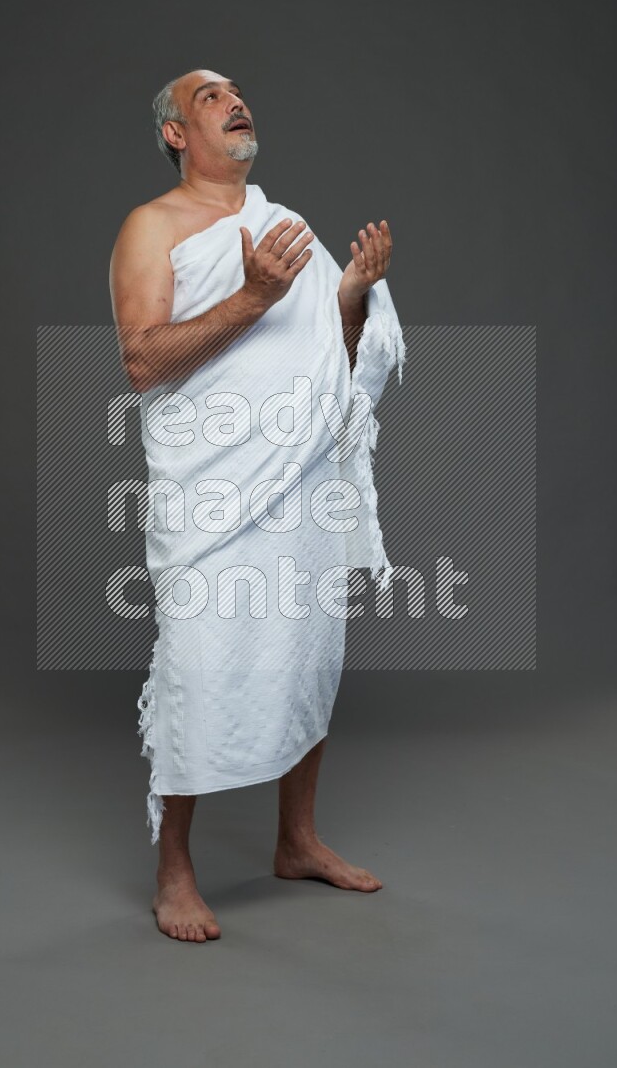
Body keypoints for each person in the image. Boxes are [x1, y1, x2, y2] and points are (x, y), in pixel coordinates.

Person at [109, 68, 404, 942]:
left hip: (301, 481)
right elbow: (142, 361)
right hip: (215, 492)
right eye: (209, 96)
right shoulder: (150, 228)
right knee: (199, 664)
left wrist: (349, 296)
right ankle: (175, 871)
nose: (235, 102)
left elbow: (333, 361)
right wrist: (253, 297)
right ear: (174, 132)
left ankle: (297, 838)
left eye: (237, 93)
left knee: (307, 650)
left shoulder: (286, 228)